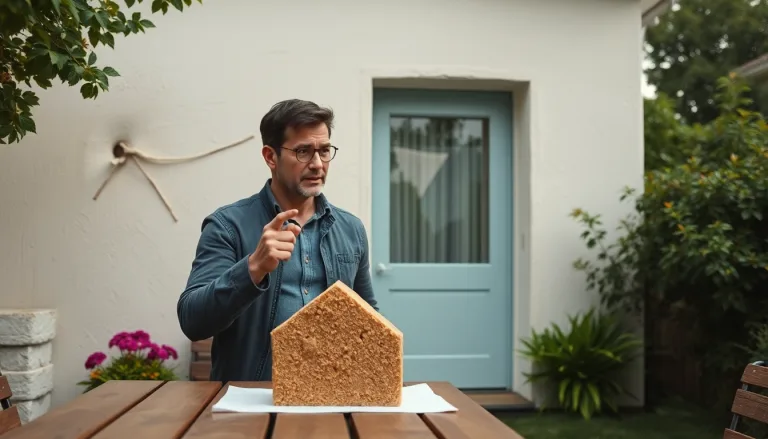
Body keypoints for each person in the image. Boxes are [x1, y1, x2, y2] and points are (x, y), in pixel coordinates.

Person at [177, 99, 379, 382]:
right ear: (271, 157)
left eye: (324, 151)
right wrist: (253, 268)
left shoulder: (351, 229)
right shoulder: (227, 226)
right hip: (251, 402)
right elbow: (193, 321)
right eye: (303, 152)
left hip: (331, 401)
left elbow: (368, 323)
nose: (317, 164)